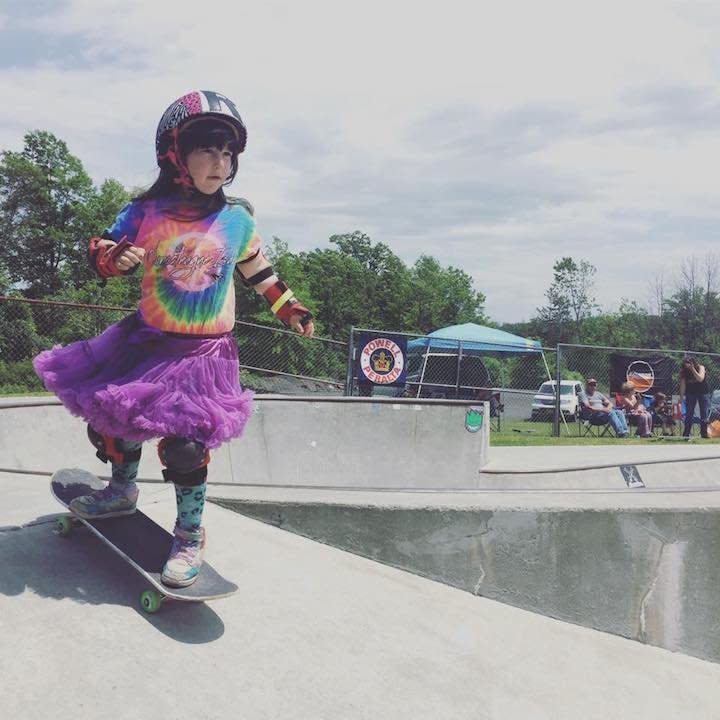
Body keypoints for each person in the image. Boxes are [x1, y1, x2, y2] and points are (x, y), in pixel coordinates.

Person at [33, 90, 314, 587]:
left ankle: (188, 533)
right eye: (208, 149)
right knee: (113, 423)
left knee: (185, 448)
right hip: (147, 341)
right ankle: (122, 489)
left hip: (205, 355)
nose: (220, 163)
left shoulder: (238, 218)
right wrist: (111, 259)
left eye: (229, 154)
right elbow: (102, 249)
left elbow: (258, 270)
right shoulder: (148, 211)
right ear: (175, 156)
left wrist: (287, 306)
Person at [679, 356, 710, 438]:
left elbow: (700, 379)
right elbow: (682, 385)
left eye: (689, 363)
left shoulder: (701, 367)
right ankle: (686, 433)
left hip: (703, 392)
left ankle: (704, 434)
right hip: (690, 393)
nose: (688, 365)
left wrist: (693, 369)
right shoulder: (684, 372)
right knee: (689, 413)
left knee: (704, 413)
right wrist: (681, 397)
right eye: (686, 364)